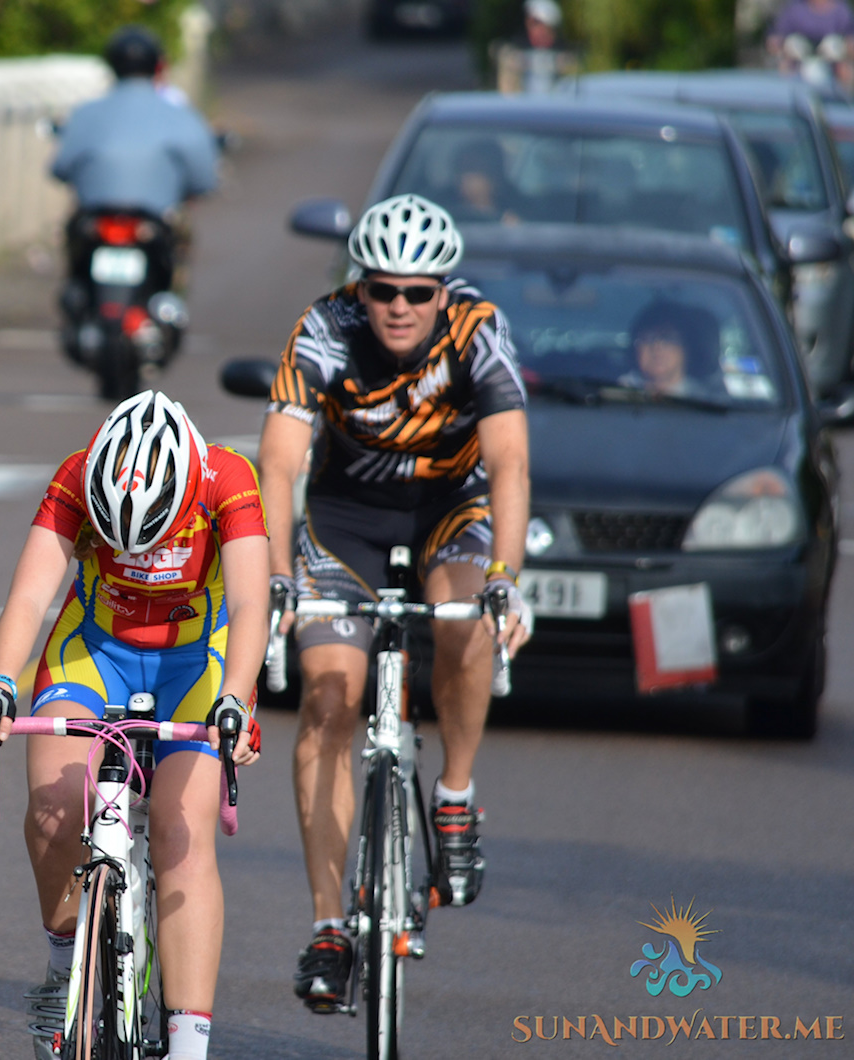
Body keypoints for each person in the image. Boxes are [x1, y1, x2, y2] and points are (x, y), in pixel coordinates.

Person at [255, 194, 534, 1012]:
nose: (399, 308)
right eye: (383, 290)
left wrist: (504, 579)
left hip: (453, 510)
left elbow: (510, 462)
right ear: (360, 286)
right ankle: (329, 927)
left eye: (418, 292)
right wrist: (278, 577)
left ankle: (453, 795)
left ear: (445, 290)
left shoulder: (479, 328)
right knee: (329, 697)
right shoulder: (325, 327)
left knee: (465, 628)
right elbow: (278, 465)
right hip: (345, 522)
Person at [0, 391, 267, 1060]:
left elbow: (249, 602)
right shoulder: (76, 473)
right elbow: (31, 595)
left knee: (183, 838)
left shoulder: (226, 477)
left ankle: (188, 1047)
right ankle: (63, 963)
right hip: (97, 652)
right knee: (53, 809)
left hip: (195, 661)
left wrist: (237, 701)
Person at [51, 26, 220, 219]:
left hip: (95, 223)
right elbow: (203, 179)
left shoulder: (84, 113)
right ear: (157, 66)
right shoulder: (181, 114)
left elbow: (60, 168)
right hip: (153, 224)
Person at [619, 301, 722, 399]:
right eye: (648, 339)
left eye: (667, 338)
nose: (657, 347)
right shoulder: (616, 390)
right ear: (635, 349)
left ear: (686, 348)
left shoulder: (704, 399)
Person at [494, 0, 579, 95]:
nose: (532, 27)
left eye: (537, 23)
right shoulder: (515, 50)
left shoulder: (565, 53)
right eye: (530, 22)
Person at [769, 0, 854, 88]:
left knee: (834, 47)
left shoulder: (840, 9)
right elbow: (775, 39)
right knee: (792, 47)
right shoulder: (795, 8)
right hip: (799, 67)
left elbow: (850, 39)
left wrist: (844, 52)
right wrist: (785, 47)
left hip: (832, 70)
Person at [450, 138, 521, 224]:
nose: (465, 178)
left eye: (474, 170)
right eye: (461, 170)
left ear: (494, 176)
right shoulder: (442, 212)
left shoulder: (519, 209)